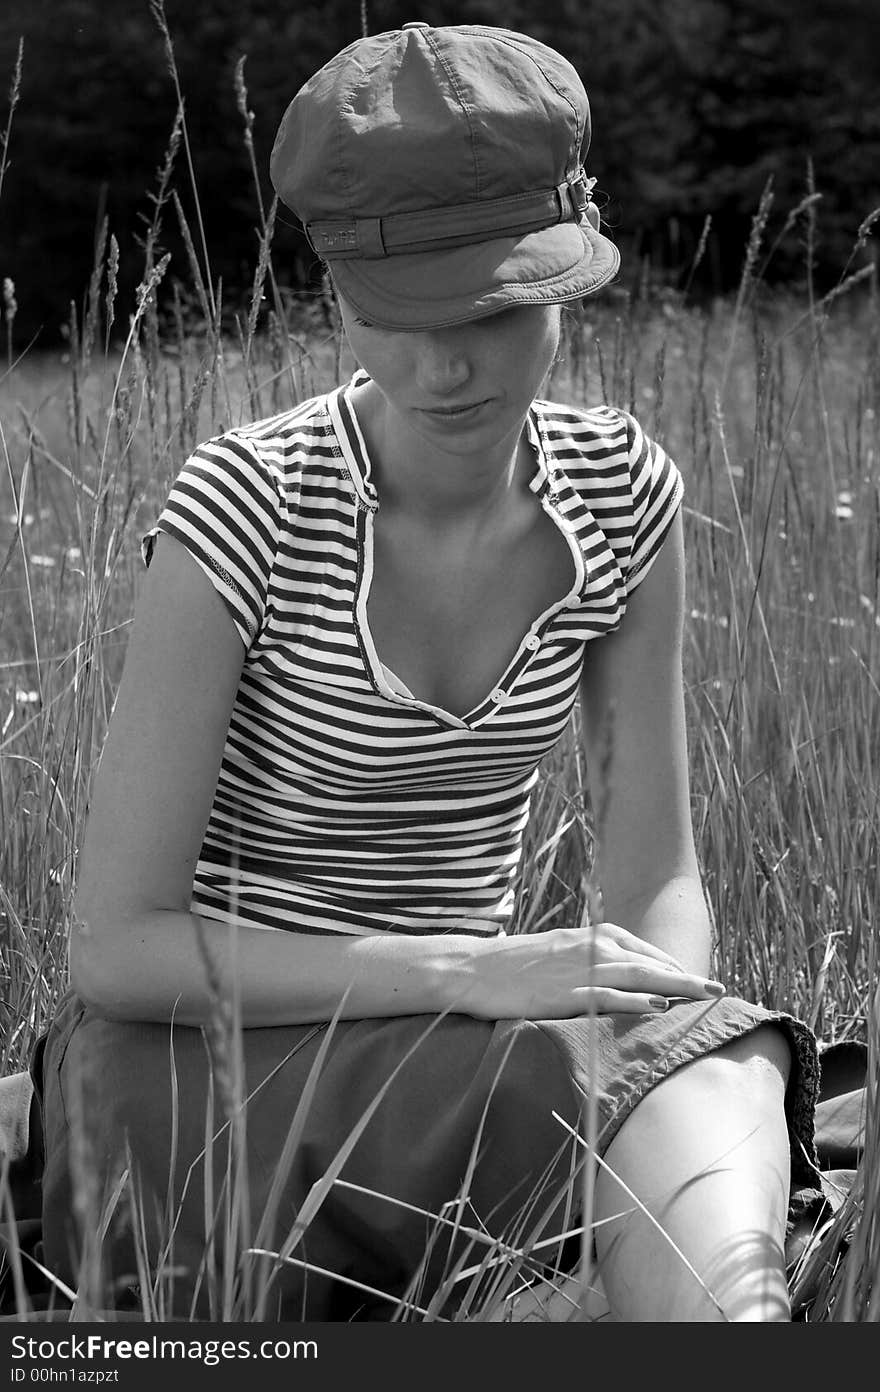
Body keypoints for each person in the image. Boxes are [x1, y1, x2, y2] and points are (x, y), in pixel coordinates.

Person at [35, 21, 824, 1322]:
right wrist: (462, 973)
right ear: (338, 290)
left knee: (722, 1060)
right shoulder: (246, 505)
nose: (444, 362)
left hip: (465, 1048)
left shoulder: (623, 497)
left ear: (571, 271)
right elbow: (120, 949)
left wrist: (656, 1008)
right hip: (202, 1054)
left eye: (497, 305)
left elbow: (659, 881)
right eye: (397, 313)